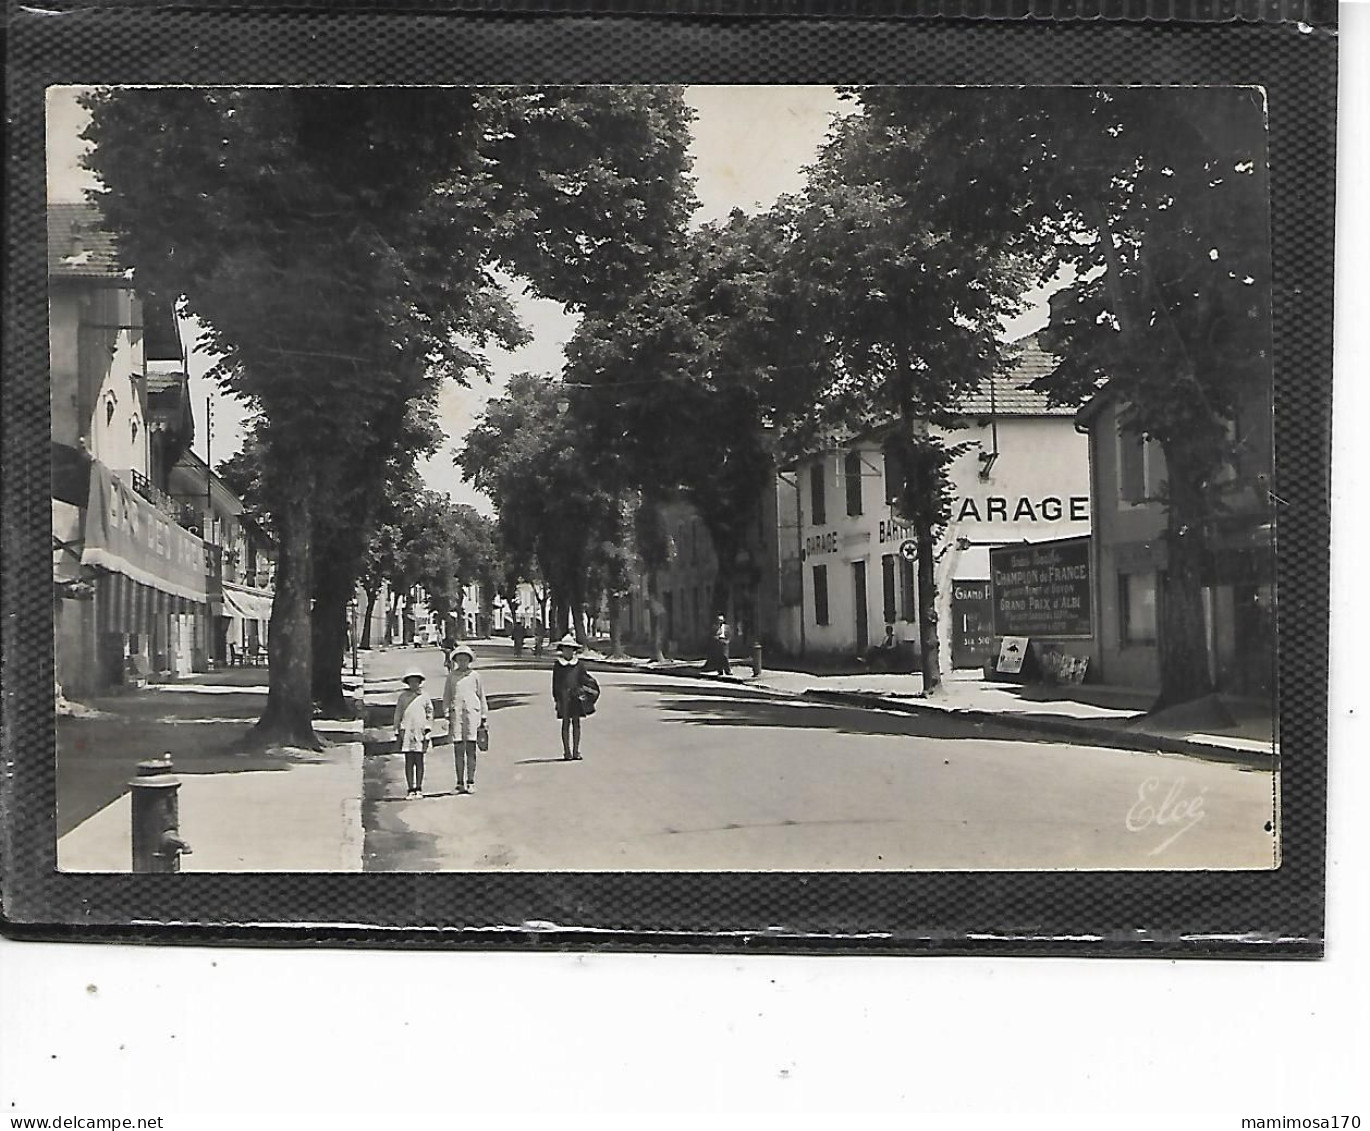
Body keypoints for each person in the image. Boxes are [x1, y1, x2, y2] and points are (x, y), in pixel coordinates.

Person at [442, 644, 488, 795]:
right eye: (459, 659)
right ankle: (459, 782)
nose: (462, 662)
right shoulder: (451, 677)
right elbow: (447, 697)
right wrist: (446, 713)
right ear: (455, 661)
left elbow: (481, 697)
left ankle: (471, 781)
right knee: (458, 749)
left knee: (471, 749)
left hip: (472, 715)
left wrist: (483, 717)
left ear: (469, 660)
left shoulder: (475, 676)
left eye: (465, 659)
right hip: (457, 715)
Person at [551, 633, 596, 761]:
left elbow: (584, 679)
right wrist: (557, 699)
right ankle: (567, 752)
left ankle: (576, 751)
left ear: (573, 650)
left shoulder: (579, 665)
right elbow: (555, 684)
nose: (568, 651)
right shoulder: (558, 665)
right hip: (564, 698)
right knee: (565, 723)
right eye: (565, 648)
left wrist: (585, 691)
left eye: (570, 649)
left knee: (576, 723)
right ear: (562, 650)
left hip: (576, 697)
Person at [394, 669, 433, 798]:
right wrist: (396, 729)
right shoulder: (403, 697)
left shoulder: (424, 696)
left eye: (416, 681)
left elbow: (429, 713)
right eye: (411, 681)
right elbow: (398, 713)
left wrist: (428, 730)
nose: (414, 684)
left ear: (420, 682)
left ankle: (419, 787)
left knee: (419, 760)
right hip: (407, 731)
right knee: (409, 761)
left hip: (420, 731)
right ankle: (410, 788)